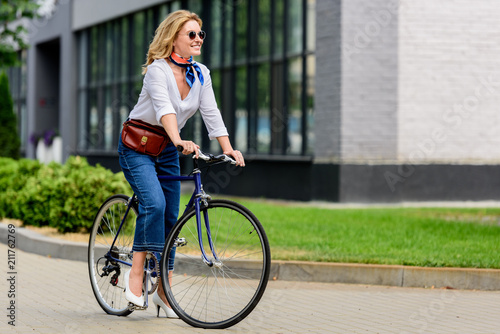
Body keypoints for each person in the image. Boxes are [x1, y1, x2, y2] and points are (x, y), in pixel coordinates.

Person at [117, 10, 245, 318]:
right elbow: (164, 110)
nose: (198, 38)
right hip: (139, 146)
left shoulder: (201, 73)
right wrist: (178, 139)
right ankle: (134, 275)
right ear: (174, 38)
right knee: (155, 205)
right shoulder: (157, 71)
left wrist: (229, 148)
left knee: (171, 219)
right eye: (192, 34)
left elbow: (211, 113)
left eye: (201, 34)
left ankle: (164, 289)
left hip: (168, 150)